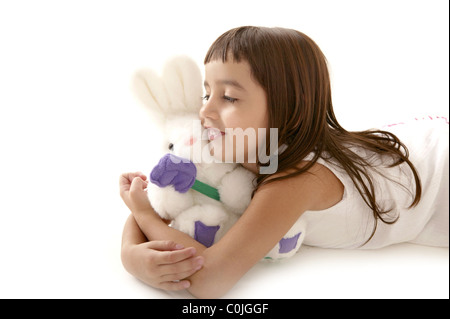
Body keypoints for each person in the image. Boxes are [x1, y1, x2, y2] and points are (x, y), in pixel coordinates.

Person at [119, 26, 449, 298]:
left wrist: (141, 224)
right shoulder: (243, 145)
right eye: (208, 94)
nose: (205, 111)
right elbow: (169, 198)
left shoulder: (295, 180)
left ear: (290, 107)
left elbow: (209, 278)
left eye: (229, 97)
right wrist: (134, 240)